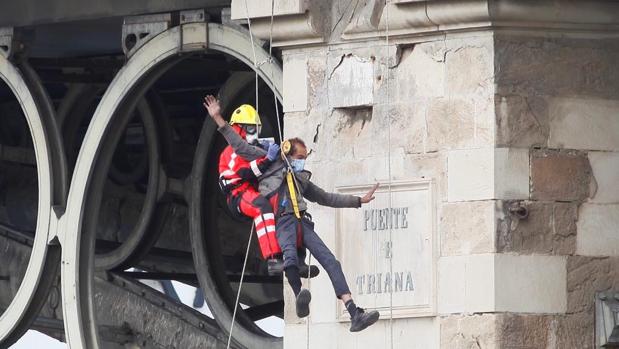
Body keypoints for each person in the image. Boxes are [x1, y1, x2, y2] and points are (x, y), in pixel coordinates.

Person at [203, 95, 317, 278]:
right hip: (238, 195)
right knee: (262, 208)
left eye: (256, 129)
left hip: (252, 191)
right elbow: (247, 173)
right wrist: (268, 159)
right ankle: (273, 259)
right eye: (249, 129)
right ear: (238, 128)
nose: (253, 134)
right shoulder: (231, 153)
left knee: (288, 211)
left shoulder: (256, 149)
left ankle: (296, 259)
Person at [275, 137, 381, 332]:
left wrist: (358, 201)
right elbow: (247, 150)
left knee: (331, 261)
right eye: (299, 157)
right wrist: (220, 123)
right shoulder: (273, 173)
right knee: (289, 256)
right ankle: (300, 296)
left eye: (304, 158)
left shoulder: (301, 180)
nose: (302, 162)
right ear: (287, 153)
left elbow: (325, 197)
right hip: (284, 221)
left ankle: (354, 313)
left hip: (302, 222)